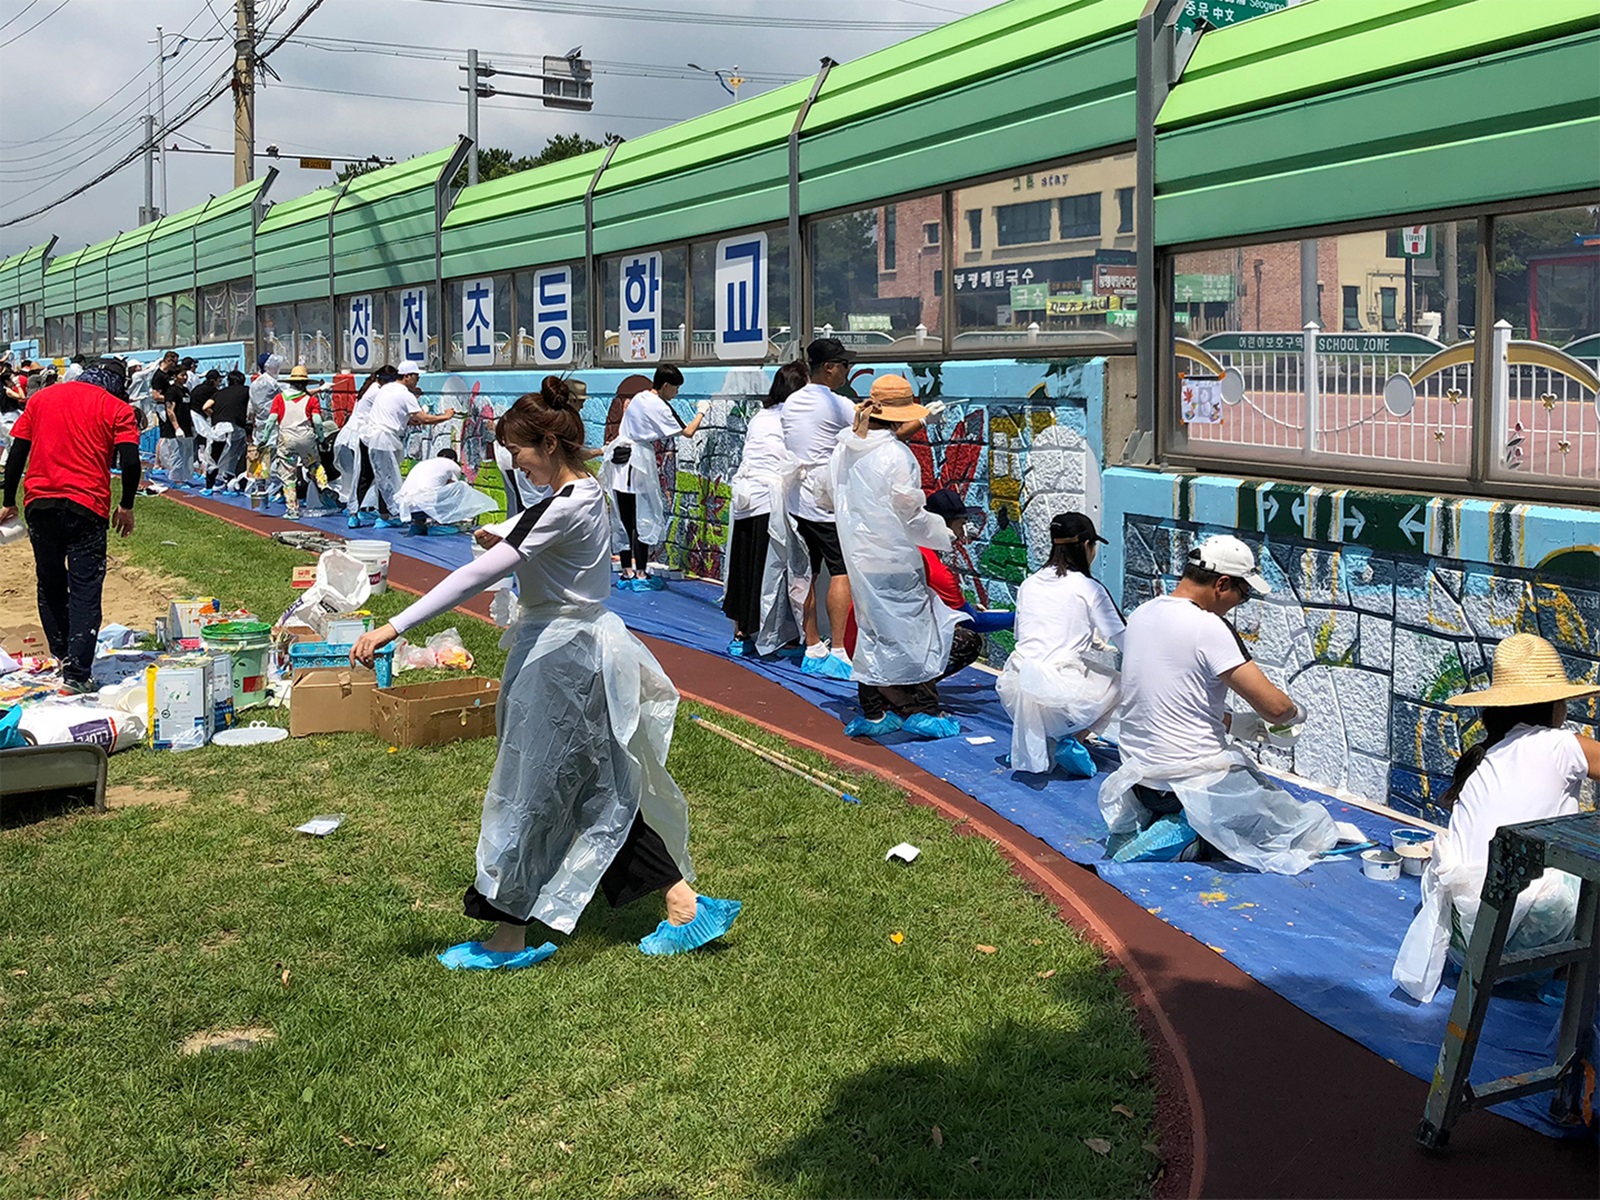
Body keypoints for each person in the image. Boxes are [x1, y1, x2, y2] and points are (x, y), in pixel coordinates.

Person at [350, 377, 742, 970]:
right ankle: (684, 904)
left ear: (549, 445)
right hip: (568, 648)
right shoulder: (580, 493)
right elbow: (530, 531)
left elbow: (474, 576)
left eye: (520, 452)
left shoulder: (570, 502)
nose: (515, 463)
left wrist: (392, 626)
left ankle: (508, 934)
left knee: (533, 788)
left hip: (562, 658)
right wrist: (500, 533)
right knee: (596, 787)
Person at [1098, 535, 1335, 872]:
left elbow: (1174, 703)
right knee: (1301, 828)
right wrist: (1296, 713)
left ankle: (1151, 825)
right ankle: (1188, 836)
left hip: (1140, 783)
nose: (1241, 603)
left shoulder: (1141, 614)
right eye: (1244, 593)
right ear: (1222, 584)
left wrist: (1236, 723)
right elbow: (1275, 709)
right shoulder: (1208, 626)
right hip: (1192, 786)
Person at [1393, 634, 1600, 1003]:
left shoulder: (1484, 755)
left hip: (1465, 940)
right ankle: (1565, 978)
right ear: (1554, 704)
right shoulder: (1562, 745)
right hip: (1523, 936)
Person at [827, 375, 964, 740]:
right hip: (895, 560)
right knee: (918, 635)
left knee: (873, 634)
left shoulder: (844, 450)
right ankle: (924, 709)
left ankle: (874, 712)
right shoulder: (897, 456)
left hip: (861, 559)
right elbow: (911, 513)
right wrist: (942, 533)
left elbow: (828, 497)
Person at [0, 359, 140, 694]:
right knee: (85, 587)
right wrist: (126, 505)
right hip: (86, 505)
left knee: (49, 582)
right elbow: (131, 461)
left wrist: (8, 500)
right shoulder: (117, 408)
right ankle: (77, 673)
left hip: (40, 502)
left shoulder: (42, 398)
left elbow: (18, 451)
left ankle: (62, 654)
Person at [836, 485, 994, 739]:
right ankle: (917, 706)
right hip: (885, 646)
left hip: (864, 648)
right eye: (961, 524)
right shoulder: (924, 561)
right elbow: (966, 623)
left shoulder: (887, 546)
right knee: (945, 639)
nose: (964, 533)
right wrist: (1021, 618)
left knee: (892, 632)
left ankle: (877, 709)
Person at [998, 511, 1125, 777]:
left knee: (1070, 670)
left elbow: (1024, 636)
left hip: (1015, 688)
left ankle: (1045, 739)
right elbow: (1127, 641)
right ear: (1087, 546)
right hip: (1061, 693)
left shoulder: (1029, 584)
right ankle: (1075, 739)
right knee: (1120, 683)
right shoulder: (1089, 588)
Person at [781, 338, 858, 679]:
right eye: (845, 365)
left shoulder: (792, 401)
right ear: (829, 368)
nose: (848, 371)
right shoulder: (836, 403)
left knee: (807, 572)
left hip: (796, 497)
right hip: (825, 501)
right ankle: (840, 649)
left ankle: (812, 644)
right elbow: (872, 430)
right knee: (841, 570)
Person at [722, 361, 810, 656]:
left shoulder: (762, 414)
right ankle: (778, 635)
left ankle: (741, 632)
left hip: (745, 499)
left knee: (743, 566)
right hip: (769, 500)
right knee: (773, 569)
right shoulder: (793, 416)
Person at [601, 363, 708, 591]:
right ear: (666, 385)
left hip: (620, 462)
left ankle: (627, 571)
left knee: (624, 519)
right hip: (638, 464)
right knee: (643, 518)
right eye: (676, 389)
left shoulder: (640, 397)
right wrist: (702, 411)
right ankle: (640, 572)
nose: (676, 393)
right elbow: (688, 432)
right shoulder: (659, 406)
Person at [359, 360, 455, 529]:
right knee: (387, 480)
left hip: (370, 437)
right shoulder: (405, 394)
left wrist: (409, 422)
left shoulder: (386, 388)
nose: (417, 380)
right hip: (385, 440)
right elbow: (423, 417)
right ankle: (386, 516)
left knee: (371, 476)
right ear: (408, 376)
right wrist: (445, 417)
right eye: (416, 376)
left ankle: (358, 514)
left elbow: (398, 416)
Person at [261, 365, 328, 519]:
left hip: (287, 439)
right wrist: (322, 439)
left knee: (287, 474)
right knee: (314, 464)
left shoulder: (279, 399)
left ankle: (292, 509)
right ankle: (323, 485)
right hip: (307, 438)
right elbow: (317, 421)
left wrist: (264, 439)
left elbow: (271, 421)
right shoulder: (311, 400)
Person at [336, 364, 395, 524]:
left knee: (364, 475)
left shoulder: (371, 387)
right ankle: (384, 515)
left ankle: (355, 512)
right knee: (382, 474)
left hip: (360, 435)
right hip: (369, 436)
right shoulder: (378, 392)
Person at [394, 448, 497, 535]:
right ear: (453, 459)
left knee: (428, 491)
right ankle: (441, 524)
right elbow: (452, 487)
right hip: (424, 507)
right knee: (461, 486)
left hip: (405, 508)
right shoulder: (452, 465)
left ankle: (417, 524)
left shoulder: (424, 463)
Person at [202, 369, 252, 493]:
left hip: (218, 428)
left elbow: (205, 407)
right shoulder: (246, 391)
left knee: (214, 456)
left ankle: (210, 484)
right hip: (235, 427)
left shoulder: (219, 393)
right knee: (233, 455)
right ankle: (230, 481)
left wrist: (215, 415)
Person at [159, 363, 198, 486]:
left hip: (186, 427)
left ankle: (185, 477)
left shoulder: (185, 391)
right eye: (182, 375)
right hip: (175, 429)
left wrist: (192, 425)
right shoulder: (172, 391)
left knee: (187, 454)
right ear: (175, 376)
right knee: (177, 454)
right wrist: (176, 427)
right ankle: (175, 478)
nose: (185, 377)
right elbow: (170, 410)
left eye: (186, 375)